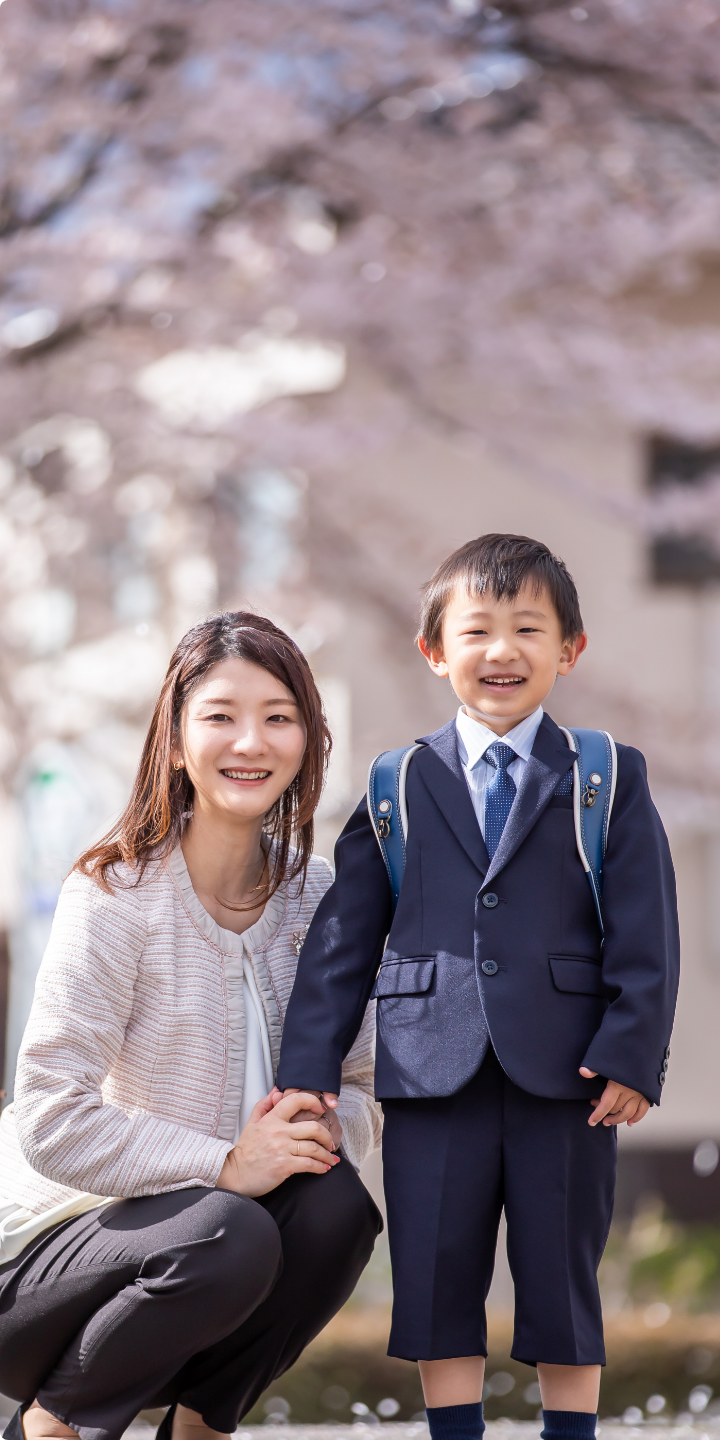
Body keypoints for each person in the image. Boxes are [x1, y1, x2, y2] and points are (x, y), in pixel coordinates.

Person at [277, 534, 680, 1440]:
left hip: (571, 1076)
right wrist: (307, 1072)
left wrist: (632, 1054)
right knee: (433, 1266)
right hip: (429, 1071)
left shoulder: (605, 776)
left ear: (569, 650)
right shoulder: (395, 784)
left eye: (528, 629)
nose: (502, 651)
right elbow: (343, 942)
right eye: (478, 631)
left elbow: (648, 931)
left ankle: (569, 1434)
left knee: (561, 1269)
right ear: (435, 650)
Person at [0, 611, 382, 1440]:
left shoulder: (317, 898)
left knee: (337, 1212)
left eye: (278, 717)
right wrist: (227, 1163)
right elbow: (47, 1116)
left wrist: (311, 1135)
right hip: (45, 1256)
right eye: (220, 716)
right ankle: (53, 1425)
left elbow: (358, 1085)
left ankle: (201, 1428)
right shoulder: (113, 897)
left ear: (309, 741)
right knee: (228, 1227)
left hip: (206, 1253)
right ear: (175, 742)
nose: (251, 740)